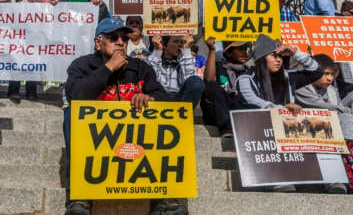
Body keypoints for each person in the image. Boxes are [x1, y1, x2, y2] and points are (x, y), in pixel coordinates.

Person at [64, 18, 187, 215]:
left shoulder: (139, 67)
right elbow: (75, 96)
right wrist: (108, 68)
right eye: (113, 37)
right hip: (97, 143)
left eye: (124, 38)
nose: (121, 42)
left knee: (170, 114)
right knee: (70, 114)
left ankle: (168, 198)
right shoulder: (82, 65)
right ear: (98, 43)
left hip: (135, 140)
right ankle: (79, 196)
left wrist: (150, 98)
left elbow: (164, 99)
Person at [295, 54, 353, 141]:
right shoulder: (302, 90)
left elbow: (340, 108)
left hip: (334, 121)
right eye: (326, 74)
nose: (330, 78)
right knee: (348, 117)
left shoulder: (332, 89)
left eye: (332, 75)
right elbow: (331, 109)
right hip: (313, 125)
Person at [236, 34, 322, 112]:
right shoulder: (245, 79)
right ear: (261, 59)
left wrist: (294, 52)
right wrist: (283, 109)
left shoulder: (287, 76)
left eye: (281, 56)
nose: (279, 60)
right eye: (274, 55)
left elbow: (316, 71)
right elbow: (252, 101)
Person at [201, 39, 251, 137]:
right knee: (213, 86)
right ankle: (227, 129)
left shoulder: (249, 71)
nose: (245, 53)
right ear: (228, 53)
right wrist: (212, 50)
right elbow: (209, 80)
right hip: (220, 112)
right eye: (240, 49)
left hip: (240, 111)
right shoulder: (220, 67)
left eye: (246, 49)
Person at [147, 34, 204, 106]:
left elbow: (192, 83)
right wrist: (157, 51)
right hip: (157, 98)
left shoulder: (185, 59)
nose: (180, 45)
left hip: (180, 100)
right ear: (164, 45)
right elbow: (150, 81)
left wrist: (186, 50)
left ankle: (183, 113)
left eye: (182, 42)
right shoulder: (153, 57)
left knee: (197, 81)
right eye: (176, 41)